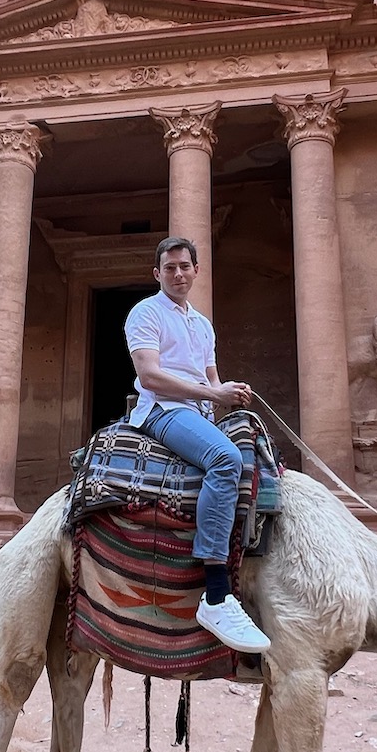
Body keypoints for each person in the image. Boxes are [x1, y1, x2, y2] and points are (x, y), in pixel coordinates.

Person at [123, 236, 271, 654]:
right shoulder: (145, 313)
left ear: (195, 270)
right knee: (225, 460)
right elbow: (150, 376)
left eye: (185, 266)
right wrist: (212, 396)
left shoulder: (201, 324)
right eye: (169, 268)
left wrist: (227, 391)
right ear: (158, 274)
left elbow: (210, 378)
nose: (178, 273)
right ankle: (217, 593)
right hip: (162, 411)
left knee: (260, 458)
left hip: (198, 412)